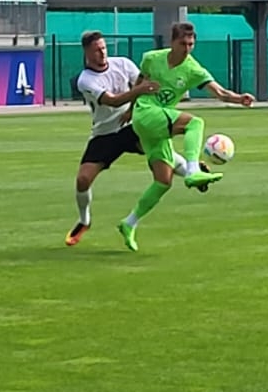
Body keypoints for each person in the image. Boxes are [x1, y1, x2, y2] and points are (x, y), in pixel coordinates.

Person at [118, 21, 254, 252]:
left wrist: (239, 99)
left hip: (156, 123)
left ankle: (129, 223)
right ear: (172, 42)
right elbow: (140, 82)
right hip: (146, 113)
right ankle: (192, 170)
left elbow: (219, 92)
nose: (187, 48)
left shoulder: (193, 69)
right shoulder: (152, 58)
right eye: (183, 43)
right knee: (195, 123)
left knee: (163, 181)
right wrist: (131, 109)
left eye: (191, 44)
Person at [68, 31, 158, 246]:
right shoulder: (85, 80)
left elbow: (141, 85)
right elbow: (113, 101)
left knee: (159, 152)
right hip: (104, 133)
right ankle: (84, 220)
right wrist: (138, 91)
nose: (102, 53)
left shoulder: (123, 64)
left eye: (104, 48)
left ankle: (192, 169)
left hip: (129, 125)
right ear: (87, 52)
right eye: (97, 50)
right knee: (82, 180)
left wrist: (133, 109)